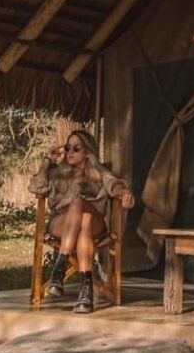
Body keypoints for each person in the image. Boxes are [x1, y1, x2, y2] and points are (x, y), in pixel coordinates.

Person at [28, 129, 136, 313]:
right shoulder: (57, 173)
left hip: (95, 222)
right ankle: (86, 293)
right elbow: (36, 187)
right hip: (62, 222)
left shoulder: (99, 174)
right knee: (83, 219)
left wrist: (124, 192)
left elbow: (114, 185)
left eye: (76, 148)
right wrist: (47, 161)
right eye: (68, 148)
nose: (70, 152)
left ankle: (59, 271)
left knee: (83, 211)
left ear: (87, 153)